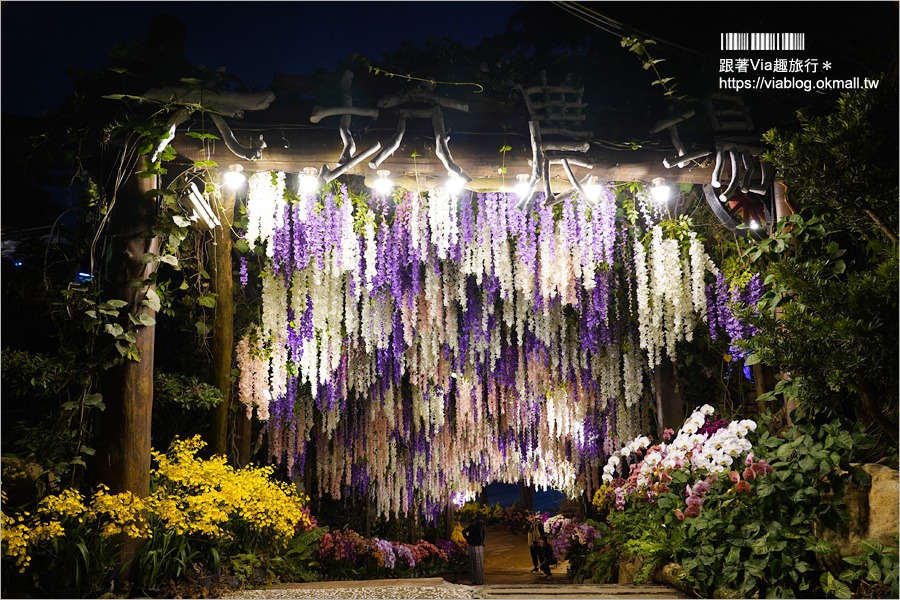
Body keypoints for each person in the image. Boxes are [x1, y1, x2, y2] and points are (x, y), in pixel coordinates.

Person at [462, 513, 486, 584]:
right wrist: (481, 542)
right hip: (478, 546)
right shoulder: (480, 527)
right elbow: (481, 537)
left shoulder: (471, 526)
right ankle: (480, 581)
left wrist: (468, 539)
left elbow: (463, 532)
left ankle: (473, 580)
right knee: (479, 564)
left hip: (470, 546)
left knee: (472, 564)